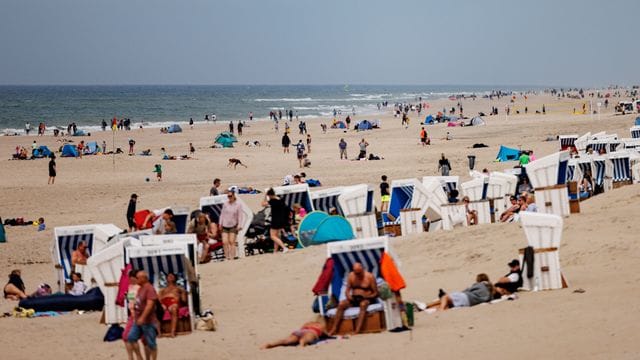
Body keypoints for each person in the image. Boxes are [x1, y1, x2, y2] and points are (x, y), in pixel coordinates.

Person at [327, 262, 379, 336]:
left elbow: (376, 293)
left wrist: (366, 296)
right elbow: (347, 290)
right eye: (356, 273)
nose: (358, 275)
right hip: (354, 299)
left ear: (362, 269)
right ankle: (334, 329)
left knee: (363, 304)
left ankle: (357, 330)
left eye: (359, 273)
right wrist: (349, 296)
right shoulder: (351, 276)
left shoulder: (370, 277)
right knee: (341, 304)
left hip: (366, 298)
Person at [127, 270, 159, 360]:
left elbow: (150, 305)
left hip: (148, 320)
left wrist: (142, 317)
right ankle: (140, 357)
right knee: (131, 338)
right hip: (137, 319)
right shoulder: (139, 288)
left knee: (151, 343)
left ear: (143, 278)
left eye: (137, 278)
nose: (136, 279)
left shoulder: (149, 289)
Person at [261, 318, 326, 349]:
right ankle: (302, 344)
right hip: (311, 332)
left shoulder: (308, 323)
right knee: (305, 339)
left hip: (301, 331)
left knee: (286, 340)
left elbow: (302, 328)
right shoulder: (322, 326)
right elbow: (325, 334)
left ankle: (271, 344)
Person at [123, 270, 144, 360]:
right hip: (131, 314)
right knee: (128, 337)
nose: (129, 279)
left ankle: (134, 357)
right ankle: (134, 357)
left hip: (137, 314)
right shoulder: (130, 287)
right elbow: (130, 299)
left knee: (127, 336)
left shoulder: (140, 288)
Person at [158, 272, 187, 338]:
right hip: (164, 302)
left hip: (173, 301)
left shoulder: (179, 288)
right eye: (169, 276)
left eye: (172, 276)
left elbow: (184, 300)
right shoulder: (162, 290)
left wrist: (182, 296)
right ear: (166, 278)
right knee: (158, 310)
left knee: (174, 309)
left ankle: (172, 332)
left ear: (175, 279)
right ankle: (159, 333)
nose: (170, 277)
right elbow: (159, 299)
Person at [262, 188, 290, 254]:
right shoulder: (280, 199)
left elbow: (262, 204)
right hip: (281, 220)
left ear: (270, 195)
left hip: (275, 220)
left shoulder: (273, 201)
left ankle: (284, 247)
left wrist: (265, 196)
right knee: (277, 236)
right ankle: (275, 251)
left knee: (273, 236)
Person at [219, 191, 244, 260]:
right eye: (228, 196)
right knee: (224, 242)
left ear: (233, 196)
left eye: (230, 196)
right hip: (224, 225)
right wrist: (220, 224)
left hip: (233, 225)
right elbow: (222, 214)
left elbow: (240, 216)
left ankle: (232, 257)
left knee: (231, 241)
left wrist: (239, 225)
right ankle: (227, 257)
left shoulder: (238, 204)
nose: (229, 197)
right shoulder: (225, 204)